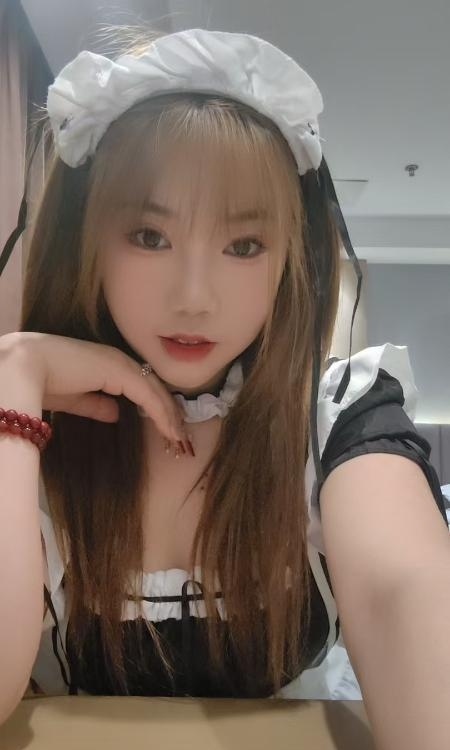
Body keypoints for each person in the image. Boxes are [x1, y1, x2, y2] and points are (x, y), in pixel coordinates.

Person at [0, 26, 449, 742]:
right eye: (149, 236)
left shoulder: (337, 419)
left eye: (244, 245)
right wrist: (14, 378)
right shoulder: (30, 433)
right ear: (86, 239)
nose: (195, 298)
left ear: (290, 259)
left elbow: (406, 595)